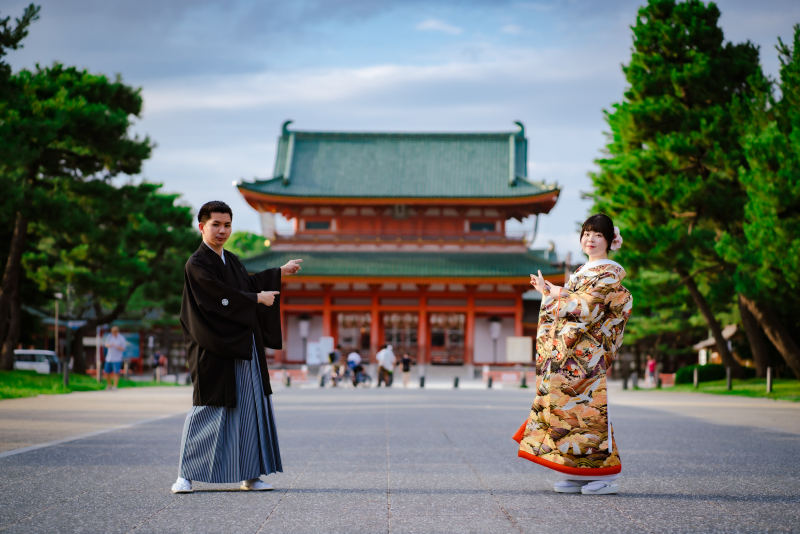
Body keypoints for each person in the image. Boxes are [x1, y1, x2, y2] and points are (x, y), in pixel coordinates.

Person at [171, 200, 302, 494]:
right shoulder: (196, 264)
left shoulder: (230, 260)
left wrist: (279, 272)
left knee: (251, 409)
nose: (222, 230)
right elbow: (220, 295)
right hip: (213, 347)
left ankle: (250, 475)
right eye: (215, 224)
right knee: (206, 409)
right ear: (202, 226)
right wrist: (256, 299)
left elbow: (247, 282)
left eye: (227, 225)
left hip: (243, 346)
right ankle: (185, 475)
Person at [513, 214, 632, 496]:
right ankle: (577, 470)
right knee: (567, 411)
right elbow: (569, 302)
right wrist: (547, 292)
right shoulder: (582, 271)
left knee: (590, 415)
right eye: (586, 234)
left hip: (587, 355)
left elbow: (589, 307)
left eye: (598, 235)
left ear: (610, 242)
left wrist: (557, 292)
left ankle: (603, 473)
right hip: (568, 354)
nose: (590, 239)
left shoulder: (609, 274)